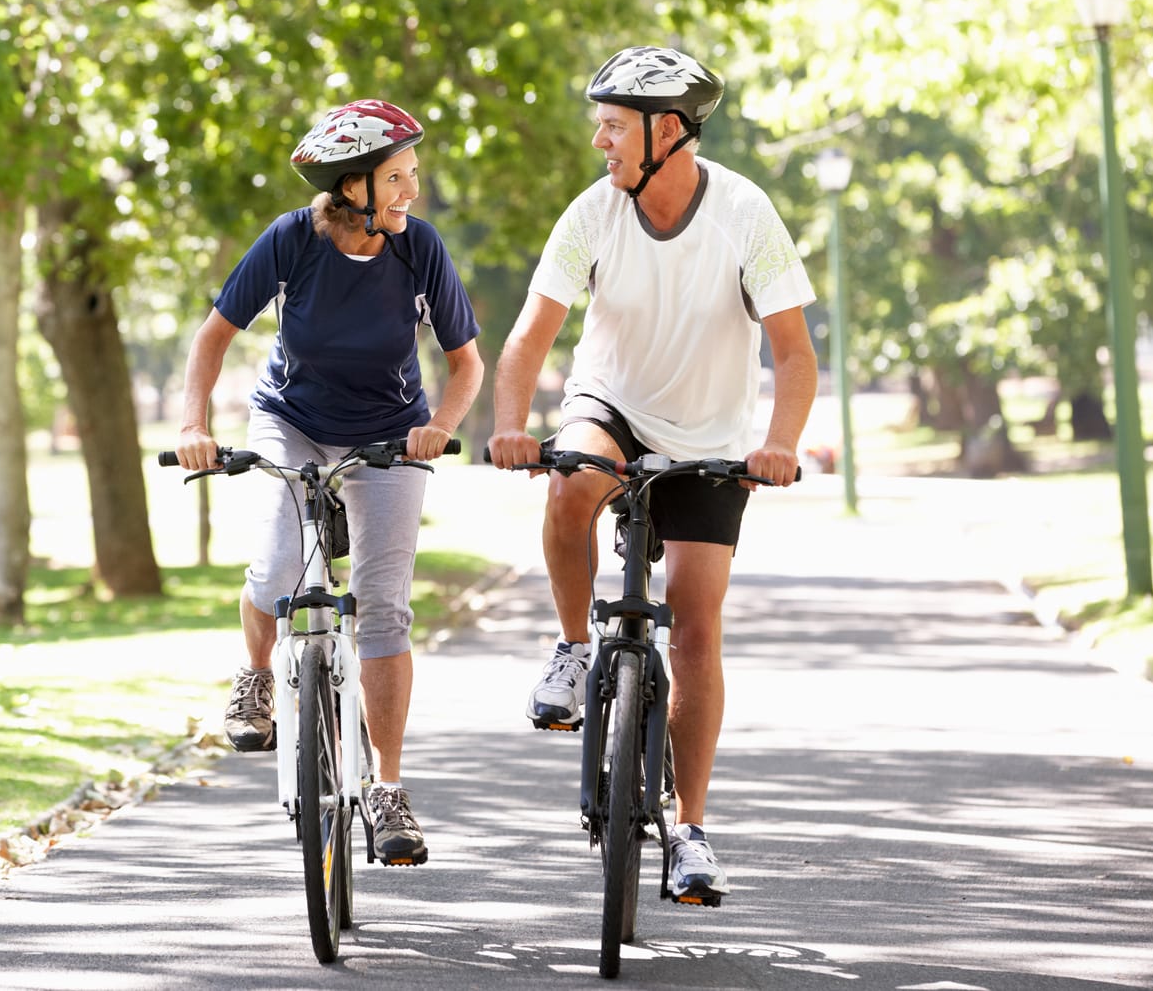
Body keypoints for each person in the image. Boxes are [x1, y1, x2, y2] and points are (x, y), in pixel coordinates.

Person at [485, 46, 817, 902]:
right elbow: (529, 338)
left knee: (698, 629)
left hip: (710, 439)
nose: (600, 140)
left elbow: (794, 353)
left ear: (668, 131)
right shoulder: (592, 214)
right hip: (614, 406)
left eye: (614, 124)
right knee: (571, 486)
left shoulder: (745, 213)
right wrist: (511, 427)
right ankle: (570, 648)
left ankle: (694, 831)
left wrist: (776, 443)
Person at [176, 99, 483, 866]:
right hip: (294, 421)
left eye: (414, 174)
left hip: (390, 433)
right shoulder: (291, 241)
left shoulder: (420, 250)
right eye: (399, 177)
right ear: (353, 186)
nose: (412, 191)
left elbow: (466, 362)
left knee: (381, 605)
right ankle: (255, 676)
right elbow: (213, 336)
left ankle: (386, 788)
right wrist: (193, 425)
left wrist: (438, 424)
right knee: (279, 567)